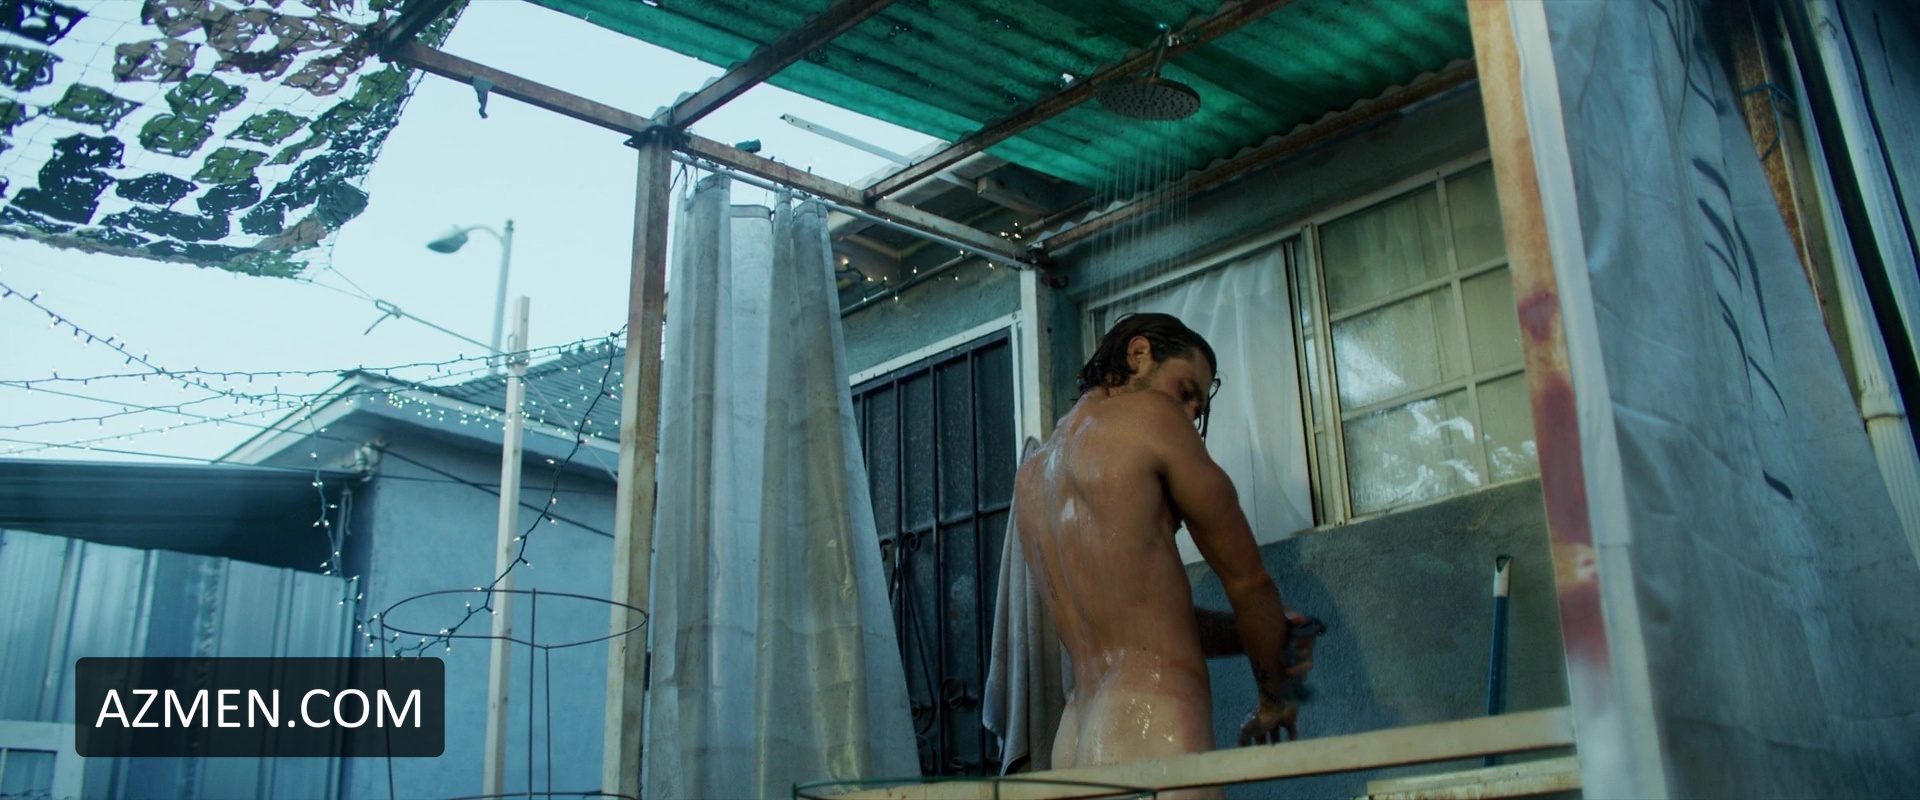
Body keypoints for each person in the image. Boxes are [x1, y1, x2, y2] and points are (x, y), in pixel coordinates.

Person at [1013, 312, 1300, 797]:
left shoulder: (1032, 475)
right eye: (1185, 391)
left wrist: (1257, 634)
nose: (1187, 414)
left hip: (1075, 742)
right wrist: (1272, 699)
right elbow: (1249, 582)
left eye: (1196, 407)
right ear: (1139, 353)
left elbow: (1145, 619)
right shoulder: (1154, 417)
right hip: (1154, 727)